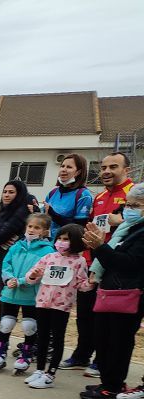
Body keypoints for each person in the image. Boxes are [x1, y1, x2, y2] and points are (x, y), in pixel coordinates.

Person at [61, 152, 134, 374]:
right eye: (103, 168)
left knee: (107, 318)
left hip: (118, 264)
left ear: (126, 170)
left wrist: (121, 219)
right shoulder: (99, 196)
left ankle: (102, 361)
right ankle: (82, 354)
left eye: (113, 167)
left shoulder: (135, 194)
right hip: (92, 262)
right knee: (85, 314)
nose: (107, 172)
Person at [80, 184, 144, 399]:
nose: (129, 209)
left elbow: (127, 264)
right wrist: (99, 246)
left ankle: (113, 386)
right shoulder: (128, 229)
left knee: (118, 342)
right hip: (112, 291)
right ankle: (108, 382)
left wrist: (100, 247)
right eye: (128, 204)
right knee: (104, 337)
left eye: (136, 205)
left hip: (129, 295)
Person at [22, 224, 91, 389]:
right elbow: (32, 275)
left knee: (57, 339)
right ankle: (39, 370)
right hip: (43, 302)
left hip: (61, 306)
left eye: (66, 239)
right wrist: (33, 275)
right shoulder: (49, 257)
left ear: (75, 241)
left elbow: (82, 284)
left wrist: (92, 282)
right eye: (59, 238)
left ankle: (50, 374)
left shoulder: (79, 261)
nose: (61, 242)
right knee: (42, 337)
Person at [0, 213, 53, 372]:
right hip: (10, 292)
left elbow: (40, 271)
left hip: (30, 294)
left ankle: (26, 354)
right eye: (30, 226)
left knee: (29, 326)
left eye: (37, 227)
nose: (32, 230)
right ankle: (0, 353)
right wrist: (8, 278)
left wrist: (22, 281)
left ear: (45, 231)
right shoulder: (16, 246)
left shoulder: (48, 251)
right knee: (6, 324)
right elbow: (6, 263)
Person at [0, 179, 32, 321]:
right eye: (4, 192)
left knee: (5, 294)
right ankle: (0, 330)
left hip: (9, 260)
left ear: (19, 194)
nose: (6, 195)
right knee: (1, 294)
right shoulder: (4, 211)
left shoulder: (21, 213)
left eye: (11, 192)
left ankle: (2, 333)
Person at [43, 154, 92, 237]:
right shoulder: (52, 192)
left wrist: (53, 214)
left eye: (69, 167)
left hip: (66, 243)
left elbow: (79, 227)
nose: (63, 170)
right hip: (47, 243)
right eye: (62, 166)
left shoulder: (84, 195)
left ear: (78, 172)